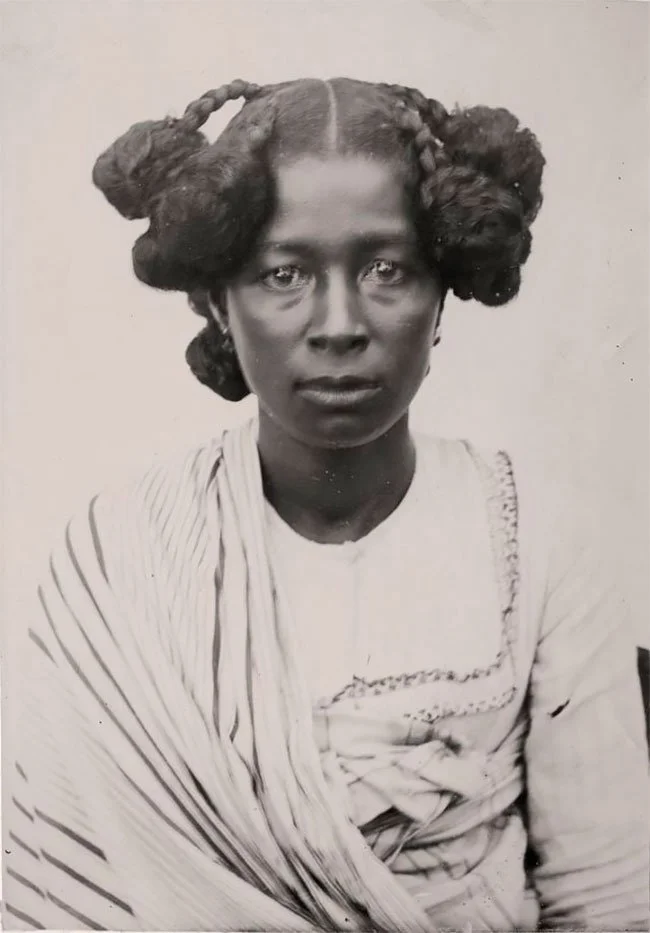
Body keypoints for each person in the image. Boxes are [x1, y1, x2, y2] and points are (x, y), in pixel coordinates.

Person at [3, 77, 648, 932]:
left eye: (387, 268)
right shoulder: (120, 557)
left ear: (444, 292)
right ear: (215, 304)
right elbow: (53, 898)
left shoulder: (538, 545)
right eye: (283, 272)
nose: (339, 322)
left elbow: (607, 898)